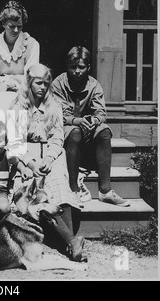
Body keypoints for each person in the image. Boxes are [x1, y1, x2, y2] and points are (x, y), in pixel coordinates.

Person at [8, 63, 86, 262]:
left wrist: (50, 158)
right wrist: (30, 163)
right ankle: (70, 241)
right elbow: (15, 142)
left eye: (46, 83)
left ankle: (68, 243)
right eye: (38, 83)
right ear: (29, 83)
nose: (42, 87)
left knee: (59, 182)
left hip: (50, 154)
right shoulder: (17, 106)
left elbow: (57, 137)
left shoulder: (54, 106)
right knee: (31, 192)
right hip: (26, 155)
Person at [52, 46, 130, 207]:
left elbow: (101, 112)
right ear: (67, 66)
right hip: (65, 129)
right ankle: (73, 190)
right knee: (74, 132)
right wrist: (77, 121)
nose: (77, 71)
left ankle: (105, 190)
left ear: (88, 67)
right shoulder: (58, 84)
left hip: (87, 128)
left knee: (104, 132)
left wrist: (94, 120)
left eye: (81, 67)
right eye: (73, 67)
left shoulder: (94, 85)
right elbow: (58, 114)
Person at [0, 0, 40, 113]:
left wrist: (11, 83)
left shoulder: (32, 44)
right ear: (3, 24)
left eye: (19, 26)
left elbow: (31, 75)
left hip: (23, 90)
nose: (16, 30)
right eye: (11, 26)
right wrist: (4, 84)